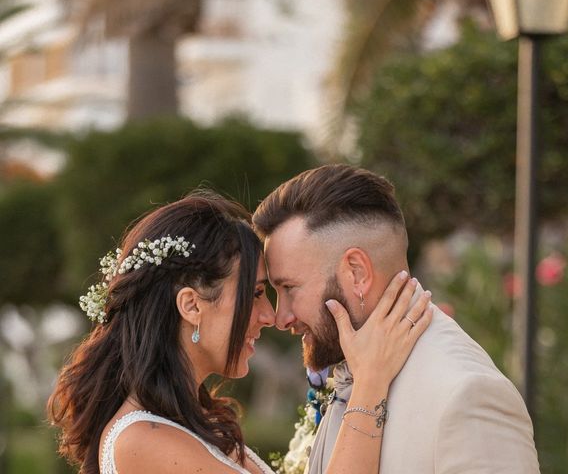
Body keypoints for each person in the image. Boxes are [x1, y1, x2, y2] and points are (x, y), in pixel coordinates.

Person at [48, 189, 432, 474]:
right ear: (192, 306)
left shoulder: (185, 421)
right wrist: (371, 380)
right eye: (256, 294)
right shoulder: (141, 441)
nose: (270, 316)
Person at [252, 164, 541, 474]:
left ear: (357, 273)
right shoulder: (352, 371)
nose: (281, 317)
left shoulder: (466, 394)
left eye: (289, 288)